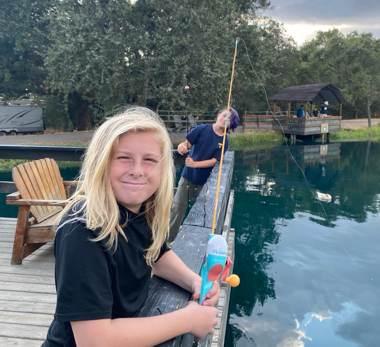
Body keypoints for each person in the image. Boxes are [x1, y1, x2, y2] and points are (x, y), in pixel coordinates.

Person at [42, 107, 220, 347]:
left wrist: (194, 281)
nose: (137, 171)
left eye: (149, 160)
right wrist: (188, 320)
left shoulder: (139, 209)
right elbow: (94, 341)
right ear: (101, 162)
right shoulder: (82, 231)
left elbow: (156, 254)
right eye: (123, 158)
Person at [169, 107, 240, 242]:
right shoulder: (202, 129)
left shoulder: (225, 141)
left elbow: (214, 161)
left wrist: (194, 164)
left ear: (231, 124)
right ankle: (170, 237)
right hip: (187, 176)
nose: (225, 119)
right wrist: (181, 147)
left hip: (207, 181)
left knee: (203, 211)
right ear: (218, 115)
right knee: (178, 206)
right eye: (224, 115)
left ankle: (198, 239)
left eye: (230, 119)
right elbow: (186, 143)